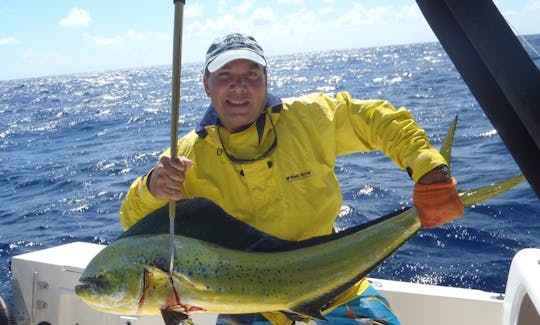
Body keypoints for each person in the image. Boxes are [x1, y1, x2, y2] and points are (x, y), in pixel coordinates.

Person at [119, 33, 464, 325]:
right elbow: (133, 227)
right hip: (249, 308)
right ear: (206, 84)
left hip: (335, 287)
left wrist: (428, 167)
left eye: (251, 74)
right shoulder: (187, 156)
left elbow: (374, 119)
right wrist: (152, 189)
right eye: (225, 74)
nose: (239, 86)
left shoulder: (308, 119)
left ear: (266, 79)